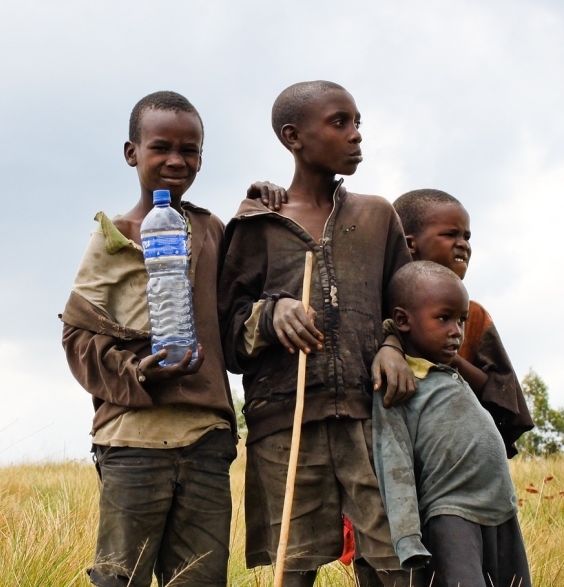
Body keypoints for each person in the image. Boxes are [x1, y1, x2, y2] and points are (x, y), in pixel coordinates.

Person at [61, 91, 282, 587]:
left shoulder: (211, 231)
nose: (177, 161)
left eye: (191, 150)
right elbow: (78, 337)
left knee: (199, 579)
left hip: (206, 437)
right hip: (132, 438)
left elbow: (236, 314)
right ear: (131, 152)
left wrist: (258, 208)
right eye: (161, 147)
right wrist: (140, 372)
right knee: (121, 577)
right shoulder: (112, 237)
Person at [218, 81, 416, 587]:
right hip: (286, 424)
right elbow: (225, 334)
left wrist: (393, 345)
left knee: (394, 565)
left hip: (372, 419)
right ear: (293, 136)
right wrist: (270, 313)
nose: (356, 136)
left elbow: (407, 306)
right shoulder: (257, 224)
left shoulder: (377, 216)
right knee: (293, 566)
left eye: (357, 123)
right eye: (339, 122)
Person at [373, 261, 532, 587]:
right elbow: (394, 461)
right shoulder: (401, 380)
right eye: (444, 319)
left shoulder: (450, 375)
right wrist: (408, 539)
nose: (456, 331)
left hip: (502, 512)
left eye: (461, 320)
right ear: (402, 320)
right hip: (451, 514)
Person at [388, 189, 534, 456]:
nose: (463, 244)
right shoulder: (377, 305)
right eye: (450, 234)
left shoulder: (474, 317)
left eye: (466, 237)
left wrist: (451, 360)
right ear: (410, 243)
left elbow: (504, 405)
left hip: (455, 457)